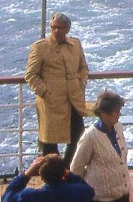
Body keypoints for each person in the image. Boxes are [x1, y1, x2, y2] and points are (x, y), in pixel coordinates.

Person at [25, 12, 89, 164]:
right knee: (49, 144)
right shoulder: (40, 48)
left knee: (78, 137)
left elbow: (83, 68)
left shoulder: (75, 45)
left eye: (60, 28)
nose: (56, 31)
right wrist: (45, 92)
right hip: (51, 104)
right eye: (53, 27)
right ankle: (53, 177)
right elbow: (31, 75)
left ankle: (68, 171)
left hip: (73, 101)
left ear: (67, 29)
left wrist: (80, 84)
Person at [69, 90, 129, 202]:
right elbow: (76, 168)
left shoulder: (118, 127)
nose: (119, 114)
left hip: (121, 197)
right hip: (98, 201)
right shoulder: (90, 136)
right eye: (115, 111)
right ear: (103, 113)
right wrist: (84, 191)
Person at [2, 153, 94, 202]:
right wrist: (68, 174)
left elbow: (7, 196)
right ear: (63, 172)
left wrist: (26, 174)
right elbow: (89, 191)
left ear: (41, 175)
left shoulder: (29, 198)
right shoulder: (77, 193)